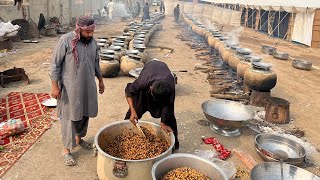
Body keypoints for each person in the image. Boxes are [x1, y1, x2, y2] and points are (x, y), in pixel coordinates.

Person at [50, 16, 105, 166]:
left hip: (88, 86)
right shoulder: (65, 40)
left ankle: (79, 138)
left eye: (92, 31)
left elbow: (96, 63)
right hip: (70, 88)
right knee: (69, 117)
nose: (90, 34)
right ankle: (66, 150)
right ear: (79, 29)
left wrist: (100, 81)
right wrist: (55, 86)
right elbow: (55, 65)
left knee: (85, 113)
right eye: (87, 32)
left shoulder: (93, 42)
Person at [124, 60, 179, 150]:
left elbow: (169, 105)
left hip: (162, 80)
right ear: (150, 88)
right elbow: (128, 91)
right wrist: (133, 111)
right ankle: (125, 135)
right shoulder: (142, 82)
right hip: (149, 74)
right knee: (134, 111)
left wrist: (163, 122)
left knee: (169, 117)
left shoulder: (170, 86)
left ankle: (174, 145)